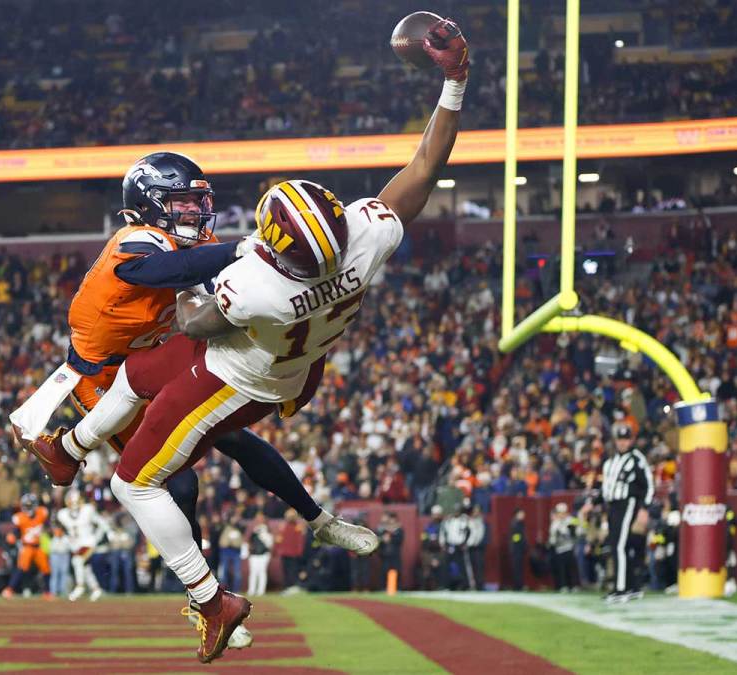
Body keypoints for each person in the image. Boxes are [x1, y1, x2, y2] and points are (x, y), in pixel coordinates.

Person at [30, 14, 469, 661]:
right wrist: (454, 82)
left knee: (134, 483)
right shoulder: (363, 238)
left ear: (277, 252)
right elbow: (425, 166)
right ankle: (67, 447)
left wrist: (199, 273)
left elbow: (192, 321)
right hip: (288, 354)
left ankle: (212, 599)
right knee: (139, 371)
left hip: (239, 377)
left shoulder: (259, 283)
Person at [601, 425, 653, 603]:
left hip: (628, 503)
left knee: (619, 546)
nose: (622, 443)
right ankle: (632, 587)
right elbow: (607, 488)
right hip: (613, 505)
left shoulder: (636, 459)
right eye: (620, 439)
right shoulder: (611, 461)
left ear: (630, 440)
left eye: (625, 439)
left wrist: (645, 508)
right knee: (617, 545)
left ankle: (621, 589)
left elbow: (648, 484)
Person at [56, 491, 107, 602]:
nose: (74, 505)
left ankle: (80, 587)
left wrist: (96, 538)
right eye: (71, 502)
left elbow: (102, 523)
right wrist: (67, 540)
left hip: (88, 542)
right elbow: (62, 531)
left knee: (77, 561)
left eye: (76, 502)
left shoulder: (87, 510)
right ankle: (96, 589)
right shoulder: (62, 514)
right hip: (76, 545)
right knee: (85, 568)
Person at [3, 493, 48, 598]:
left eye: (30, 505)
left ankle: (47, 592)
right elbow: (16, 531)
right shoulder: (20, 517)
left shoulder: (42, 513)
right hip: (27, 546)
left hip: (38, 546)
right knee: (21, 568)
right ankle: (9, 589)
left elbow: (47, 525)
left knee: (46, 568)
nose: (28, 508)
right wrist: (12, 536)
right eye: (26, 505)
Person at [549, 502, 580, 592]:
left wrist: (571, 530)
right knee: (561, 569)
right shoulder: (555, 523)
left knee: (571, 568)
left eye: (563, 512)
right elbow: (552, 538)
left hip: (569, 547)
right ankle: (563, 585)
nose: (561, 514)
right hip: (559, 549)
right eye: (560, 512)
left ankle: (573, 585)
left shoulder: (571, 520)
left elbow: (579, 531)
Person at [244, 518, 273, 597]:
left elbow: (269, 545)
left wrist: (263, 535)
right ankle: (251, 590)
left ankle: (261, 591)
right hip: (254, 555)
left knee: (262, 572)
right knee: (253, 573)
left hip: (263, 555)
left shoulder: (268, 535)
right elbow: (248, 543)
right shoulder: (253, 534)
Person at [509, 508, 528, 591]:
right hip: (516, 549)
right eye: (521, 513)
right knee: (517, 568)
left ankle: (519, 585)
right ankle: (518, 586)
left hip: (518, 549)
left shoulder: (519, 523)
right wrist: (521, 544)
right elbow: (515, 537)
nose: (523, 515)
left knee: (519, 568)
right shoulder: (515, 524)